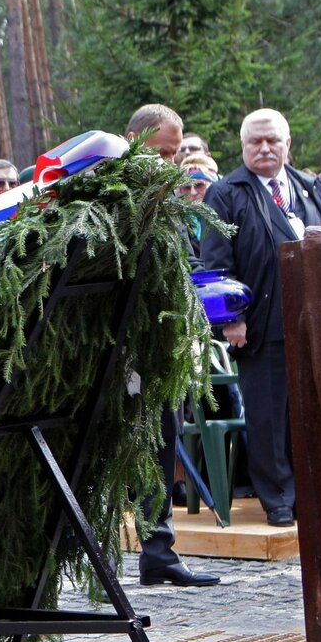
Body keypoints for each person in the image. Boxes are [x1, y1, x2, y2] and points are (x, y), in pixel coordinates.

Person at [201, 108, 321, 529]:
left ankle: (313, 492)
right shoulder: (226, 193)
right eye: (256, 141)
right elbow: (217, 261)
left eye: (273, 140)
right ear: (242, 146)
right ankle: (279, 500)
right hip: (260, 323)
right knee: (269, 416)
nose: (265, 148)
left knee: (312, 411)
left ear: (288, 145)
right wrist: (231, 319)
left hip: (313, 323)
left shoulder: (309, 188)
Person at [125, 104, 218, 586]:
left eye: (175, 151)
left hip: (169, 349)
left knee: (163, 444)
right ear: (133, 141)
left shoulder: (175, 205)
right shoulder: (119, 201)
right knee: (134, 447)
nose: (169, 161)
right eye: (161, 150)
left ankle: (158, 549)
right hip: (129, 352)